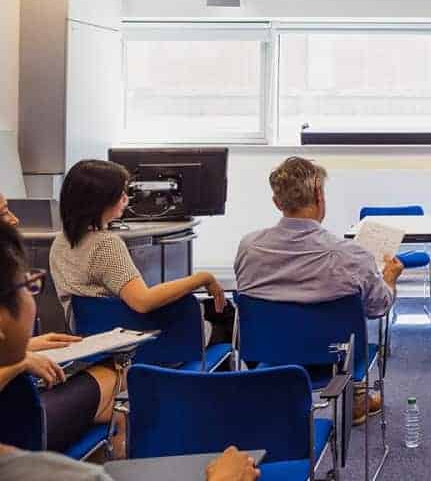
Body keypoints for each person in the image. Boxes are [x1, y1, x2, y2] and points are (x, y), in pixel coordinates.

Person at [0, 221, 260, 481]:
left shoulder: (61, 244)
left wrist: (26, 350)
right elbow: (142, 301)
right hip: (152, 351)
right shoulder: (52, 475)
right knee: (119, 379)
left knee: (117, 380)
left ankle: (126, 449)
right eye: (28, 284)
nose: (13, 218)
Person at [234, 156, 405, 425]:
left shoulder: (249, 248)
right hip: (333, 362)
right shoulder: (350, 255)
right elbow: (378, 307)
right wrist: (390, 278)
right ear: (318, 194)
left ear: (277, 202)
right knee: (350, 323)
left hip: (267, 357)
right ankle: (356, 396)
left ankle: (349, 396)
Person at [0, 191, 123, 455]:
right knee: (116, 376)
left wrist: (31, 346)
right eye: (3, 213)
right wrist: (20, 361)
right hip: (18, 432)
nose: (14, 219)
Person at [49, 160, 227, 332]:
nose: (126, 199)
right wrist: (202, 278)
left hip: (91, 341)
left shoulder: (60, 243)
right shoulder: (105, 244)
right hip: (134, 342)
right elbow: (143, 301)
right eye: (120, 194)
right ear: (101, 200)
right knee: (225, 319)